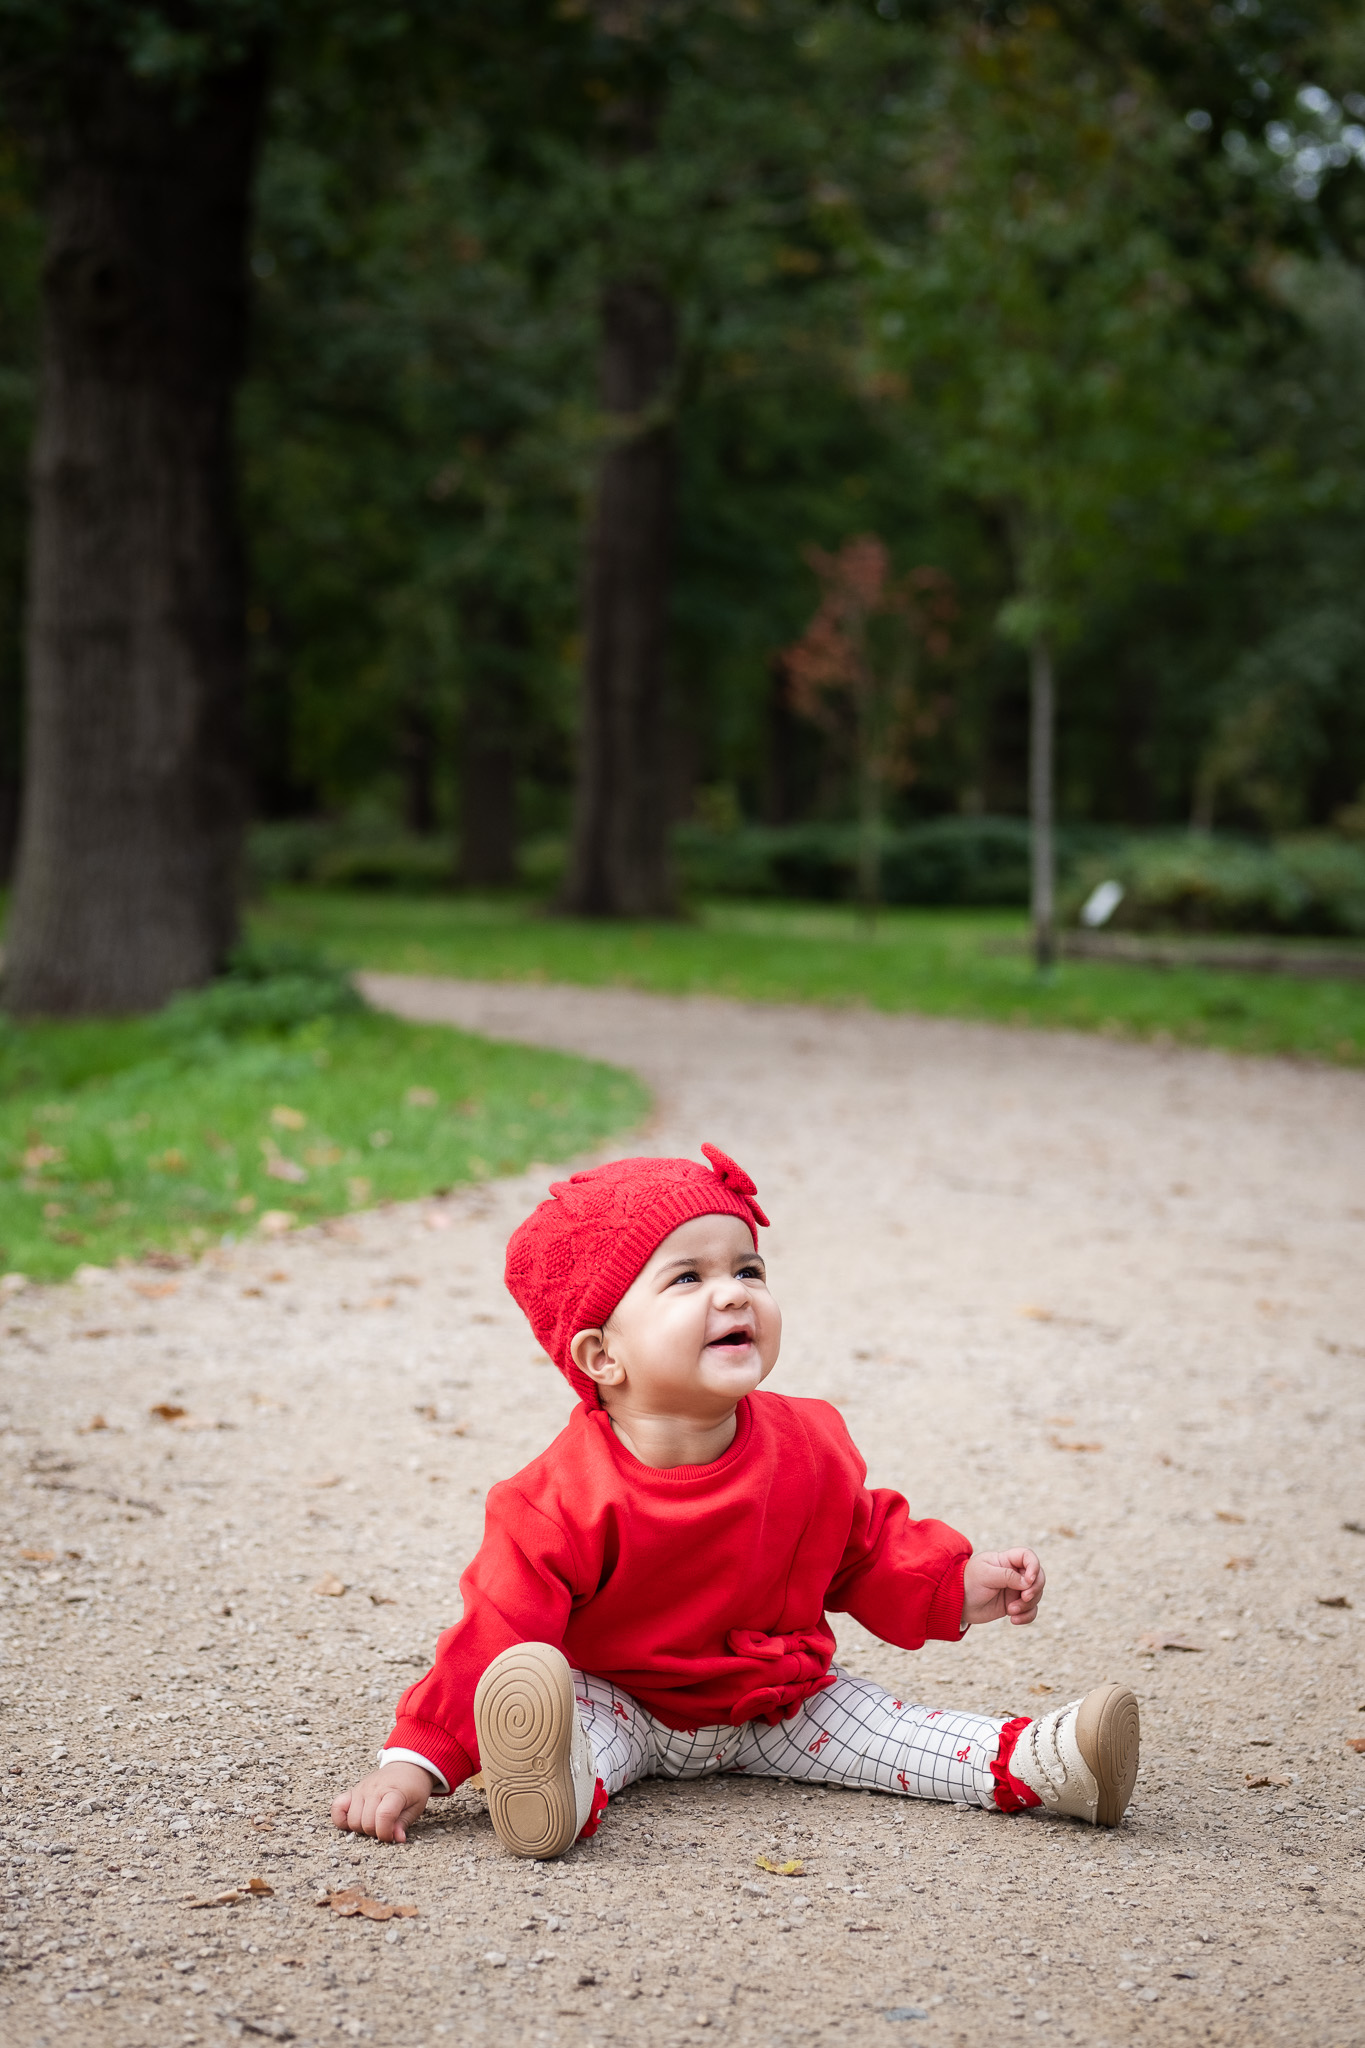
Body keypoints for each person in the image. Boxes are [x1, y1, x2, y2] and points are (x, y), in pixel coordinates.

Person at [332, 1145, 1140, 1857]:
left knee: (896, 1728)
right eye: (687, 1277)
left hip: (774, 1699)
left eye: (747, 1270)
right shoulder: (552, 1503)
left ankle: (1050, 1760)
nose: (733, 1294)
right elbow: (495, 1636)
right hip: (623, 1698)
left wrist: (956, 1583)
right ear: (601, 1354)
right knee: (562, 1719)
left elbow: (862, 1548)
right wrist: (414, 1763)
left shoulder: (807, 1445)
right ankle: (555, 1797)